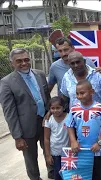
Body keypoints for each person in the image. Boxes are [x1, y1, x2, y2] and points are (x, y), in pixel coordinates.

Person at [0, 48, 51, 179]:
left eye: (26, 59)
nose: (24, 63)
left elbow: (47, 98)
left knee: (50, 151)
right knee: (31, 159)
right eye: (19, 61)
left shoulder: (39, 74)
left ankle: (53, 174)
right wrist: (17, 137)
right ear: (12, 63)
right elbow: (9, 112)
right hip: (26, 128)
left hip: (45, 123)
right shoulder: (7, 82)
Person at [66, 80, 101, 180]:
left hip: (97, 150)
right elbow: (69, 125)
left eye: (82, 93)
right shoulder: (74, 109)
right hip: (81, 150)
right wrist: (73, 141)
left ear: (92, 92)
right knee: (83, 175)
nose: (79, 96)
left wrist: (99, 142)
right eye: (77, 93)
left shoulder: (100, 108)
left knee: (100, 175)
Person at [44, 97, 69, 180]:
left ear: (64, 107)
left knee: (68, 174)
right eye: (52, 108)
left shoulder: (69, 118)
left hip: (67, 152)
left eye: (58, 108)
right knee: (58, 175)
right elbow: (46, 138)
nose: (55, 110)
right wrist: (48, 155)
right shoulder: (48, 120)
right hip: (55, 152)